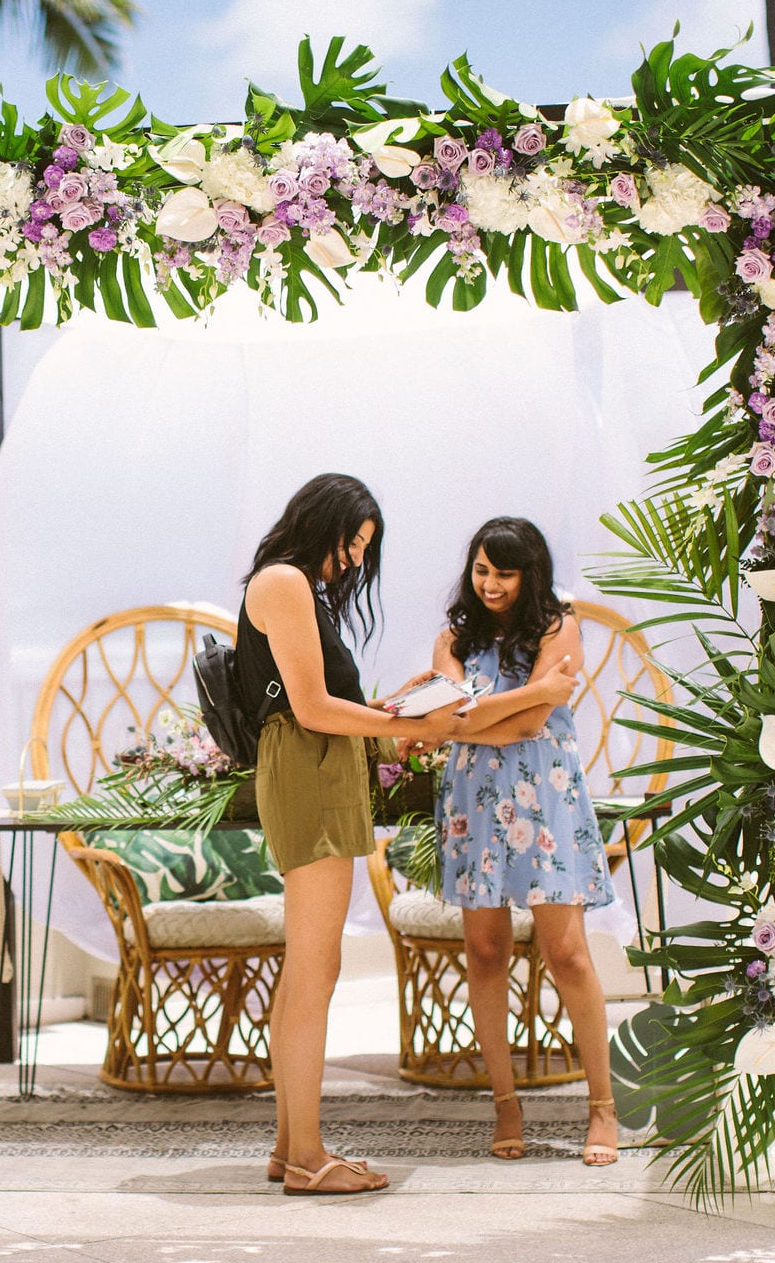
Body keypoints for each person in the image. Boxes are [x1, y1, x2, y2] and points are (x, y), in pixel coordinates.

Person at [238, 476, 574, 1195]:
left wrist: (397, 707)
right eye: (351, 545)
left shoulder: (295, 586)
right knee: (316, 967)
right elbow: (311, 707)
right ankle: (307, 1158)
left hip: (319, 764)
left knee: (308, 967)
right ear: (321, 523)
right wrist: (407, 724)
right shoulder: (285, 581)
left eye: (363, 551)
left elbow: (328, 702)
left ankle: (291, 1145)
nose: (354, 562)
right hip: (306, 764)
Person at [428, 516, 620, 1168]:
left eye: (504, 572)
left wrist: (475, 718)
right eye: (481, 569)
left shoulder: (560, 625)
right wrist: (532, 692)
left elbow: (530, 723)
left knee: (566, 952)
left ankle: (602, 1107)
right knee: (485, 950)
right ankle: (506, 1104)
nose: (490, 583)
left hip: (545, 799)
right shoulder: (451, 640)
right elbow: (443, 716)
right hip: (473, 805)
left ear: (529, 572)